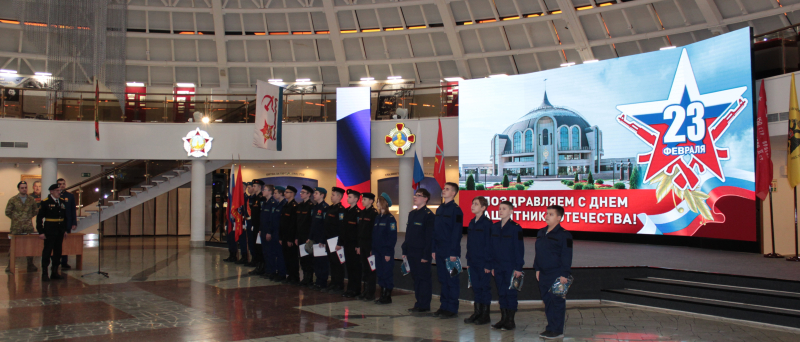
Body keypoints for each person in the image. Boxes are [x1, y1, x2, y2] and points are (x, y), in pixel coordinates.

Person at [534, 205, 573, 340]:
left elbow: (567, 255)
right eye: (546, 213)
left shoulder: (564, 235)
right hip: (543, 273)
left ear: (559, 217)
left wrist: (564, 274)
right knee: (547, 302)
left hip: (557, 274)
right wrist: (537, 268)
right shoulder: (541, 232)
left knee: (557, 302)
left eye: (551, 214)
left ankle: (557, 330)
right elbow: (538, 252)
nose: (547, 216)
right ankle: (550, 328)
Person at [489, 201, 524, 330]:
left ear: (511, 211)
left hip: (510, 266)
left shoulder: (516, 227)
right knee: (501, 292)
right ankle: (503, 319)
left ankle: (510, 320)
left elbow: (519, 249)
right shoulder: (495, 227)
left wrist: (519, 267)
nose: (501, 211)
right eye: (499, 209)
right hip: (498, 266)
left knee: (511, 293)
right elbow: (492, 248)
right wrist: (492, 265)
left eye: (504, 208)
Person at [432, 182, 464, 318]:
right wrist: (433, 248)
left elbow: (457, 233)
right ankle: (443, 306)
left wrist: (453, 253)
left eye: (447, 189)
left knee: (451, 280)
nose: (444, 191)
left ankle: (452, 308)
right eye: (444, 189)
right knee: (443, 279)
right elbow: (435, 231)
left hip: (450, 250)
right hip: (439, 249)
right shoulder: (439, 209)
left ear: (453, 193)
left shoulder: (456, 210)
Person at [402, 188, 435, 314]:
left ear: (425, 198)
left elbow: (429, 237)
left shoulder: (429, 216)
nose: (415, 197)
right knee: (416, 279)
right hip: (411, 252)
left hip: (421, 253)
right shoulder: (412, 214)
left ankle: (424, 304)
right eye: (415, 195)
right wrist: (405, 249)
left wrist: (426, 255)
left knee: (424, 279)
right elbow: (409, 234)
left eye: (419, 195)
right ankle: (418, 303)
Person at [465, 196, 493, 325]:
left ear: (483, 208)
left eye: (476, 204)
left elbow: (489, 244)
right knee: (476, 287)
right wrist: (469, 260)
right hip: (473, 261)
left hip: (483, 262)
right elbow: (469, 243)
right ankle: (477, 312)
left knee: (484, 288)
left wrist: (488, 263)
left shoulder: (487, 223)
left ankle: (485, 315)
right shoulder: (471, 222)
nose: (472, 205)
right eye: (472, 203)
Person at [5, 181, 39, 273]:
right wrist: (17, 218)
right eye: (22, 188)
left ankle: (30, 264)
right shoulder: (13, 200)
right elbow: (8, 212)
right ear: (19, 189)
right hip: (16, 227)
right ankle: (10, 265)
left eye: (25, 187)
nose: (24, 189)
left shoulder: (31, 199)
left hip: (28, 226)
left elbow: (35, 211)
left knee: (30, 246)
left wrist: (26, 217)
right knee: (13, 246)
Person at [36, 184, 68, 281]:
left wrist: (65, 229)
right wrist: (40, 231)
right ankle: (45, 273)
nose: (59, 192)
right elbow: (39, 218)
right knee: (47, 251)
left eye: (60, 190)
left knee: (58, 252)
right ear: (51, 191)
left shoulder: (62, 202)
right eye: (57, 190)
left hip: (59, 231)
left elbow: (64, 217)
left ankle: (55, 272)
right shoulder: (45, 202)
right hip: (49, 230)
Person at [372, 193, 397, 305]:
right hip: (377, 251)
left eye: (379, 201)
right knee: (380, 273)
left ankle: (387, 296)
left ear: (385, 203)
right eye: (377, 202)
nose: (377, 204)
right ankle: (382, 294)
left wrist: (388, 252)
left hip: (385, 251)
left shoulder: (390, 219)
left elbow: (392, 238)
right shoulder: (377, 218)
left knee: (387, 273)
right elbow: (374, 235)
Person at [323, 187, 346, 294]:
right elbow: (326, 225)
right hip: (329, 240)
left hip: (336, 241)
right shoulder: (330, 208)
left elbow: (342, 227)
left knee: (338, 264)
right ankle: (333, 282)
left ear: (339, 196)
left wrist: (339, 243)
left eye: (333, 195)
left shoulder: (341, 210)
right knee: (332, 262)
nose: (331, 196)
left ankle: (339, 284)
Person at [339, 189, 362, 298]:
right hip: (347, 244)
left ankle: (355, 289)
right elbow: (343, 229)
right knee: (349, 267)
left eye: (350, 197)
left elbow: (358, 231)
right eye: (348, 197)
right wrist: (340, 242)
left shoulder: (358, 213)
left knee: (355, 267)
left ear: (356, 199)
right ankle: (349, 289)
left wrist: (358, 245)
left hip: (354, 245)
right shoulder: (346, 211)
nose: (348, 199)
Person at [357, 193, 378, 301]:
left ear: (371, 201)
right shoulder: (362, 212)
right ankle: (364, 290)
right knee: (364, 268)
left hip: (369, 244)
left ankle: (370, 292)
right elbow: (359, 230)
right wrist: (358, 245)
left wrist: (372, 248)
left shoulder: (373, 214)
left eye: (365, 199)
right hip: (362, 243)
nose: (362, 201)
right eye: (362, 199)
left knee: (371, 270)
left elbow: (373, 232)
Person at [250, 183, 274, 275]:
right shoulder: (260, 200)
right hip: (258, 227)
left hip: (265, 229)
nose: (263, 191)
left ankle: (265, 268)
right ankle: (259, 266)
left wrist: (267, 230)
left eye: (265, 189)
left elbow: (270, 219)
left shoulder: (266, 201)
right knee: (258, 248)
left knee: (264, 250)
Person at [263, 185, 287, 280]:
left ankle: (282, 273)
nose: (275, 194)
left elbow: (280, 222)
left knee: (280, 255)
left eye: (276, 193)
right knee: (273, 253)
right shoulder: (277, 204)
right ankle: (274, 271)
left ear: (281, 194)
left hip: (279, 233)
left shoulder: (283, 205)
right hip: (274, 232)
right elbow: (272, 220)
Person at [309, 187, 330, 291]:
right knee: (316, 261)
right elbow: (313, 225)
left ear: (322, 195)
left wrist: (323, 240)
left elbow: (325, 226)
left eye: (316, 193)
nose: (314, 195)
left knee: (322, 261)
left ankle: (323, 282)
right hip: (314, 238)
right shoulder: (315, 207)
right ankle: (317, 280)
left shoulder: (325, 208)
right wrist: (310, 237)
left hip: (321, 239)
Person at [295, 185, 315, 286]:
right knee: (302, 258)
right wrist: (296, 236)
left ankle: (309, 278)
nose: (301, 194)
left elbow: (311, 223)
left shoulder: (311, 206)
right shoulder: (299, 205)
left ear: (309, 194)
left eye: (303, 192)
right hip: (300, 235)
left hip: (307, 236)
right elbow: (297, 222)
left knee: (308, 258)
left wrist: (310, 237)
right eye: (301, 192)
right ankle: (305, 277)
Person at [279, 186, 299, 284]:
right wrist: (280, 237)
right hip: (284, 236)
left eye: (287, 192)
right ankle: (289, 275)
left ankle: (294, 277)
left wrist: (291, 239)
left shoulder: (294, 206)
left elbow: (293, 224)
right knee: (286, 257)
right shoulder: (285, 205)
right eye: (285, 192)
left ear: (292, 194)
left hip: (290, 236)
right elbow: (282, 222)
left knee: (292, 258)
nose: (285, 193)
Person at [57, 179, 77, 269]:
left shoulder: (70, 196)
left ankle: (64, 262)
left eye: (63, 184)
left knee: (65, 243)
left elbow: (73, 210)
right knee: (56, 243)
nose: (62, 185)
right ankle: (56, 261)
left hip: (67, 223)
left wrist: (74, 222)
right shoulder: (55, 195)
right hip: (57, 223)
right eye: (60, 184)